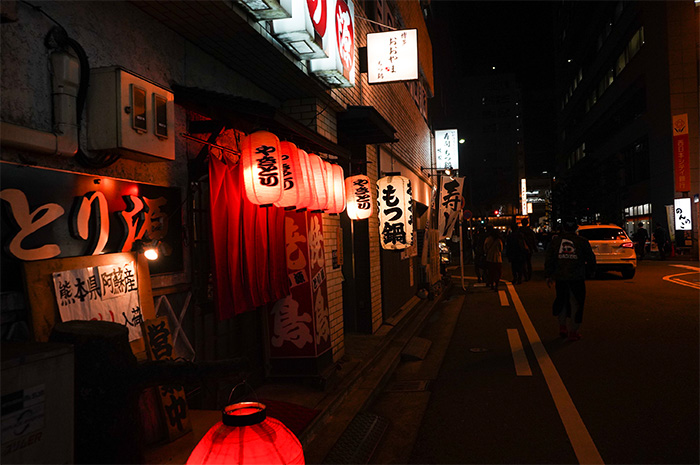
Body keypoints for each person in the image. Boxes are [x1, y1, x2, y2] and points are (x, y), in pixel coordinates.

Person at [544, 217, 596, 341]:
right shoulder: (582, 241)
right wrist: (591, 272)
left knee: (562, 301)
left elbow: (550, 259)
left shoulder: (556, 242)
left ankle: (562, 327)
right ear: (576, 228)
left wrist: (549, 275)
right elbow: (591, 258)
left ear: (563, 228)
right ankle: (574, 330)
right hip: (577, 276)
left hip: (561, 276)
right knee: (576, 303)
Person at [483, 224, 503, 291]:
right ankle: (496, 285)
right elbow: (501, 249)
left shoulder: (488, 239)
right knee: (498, 272)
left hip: (489, 258)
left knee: (491, 272)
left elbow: (485, 248)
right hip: (498, 258)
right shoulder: (498, 240)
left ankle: (491, 285)